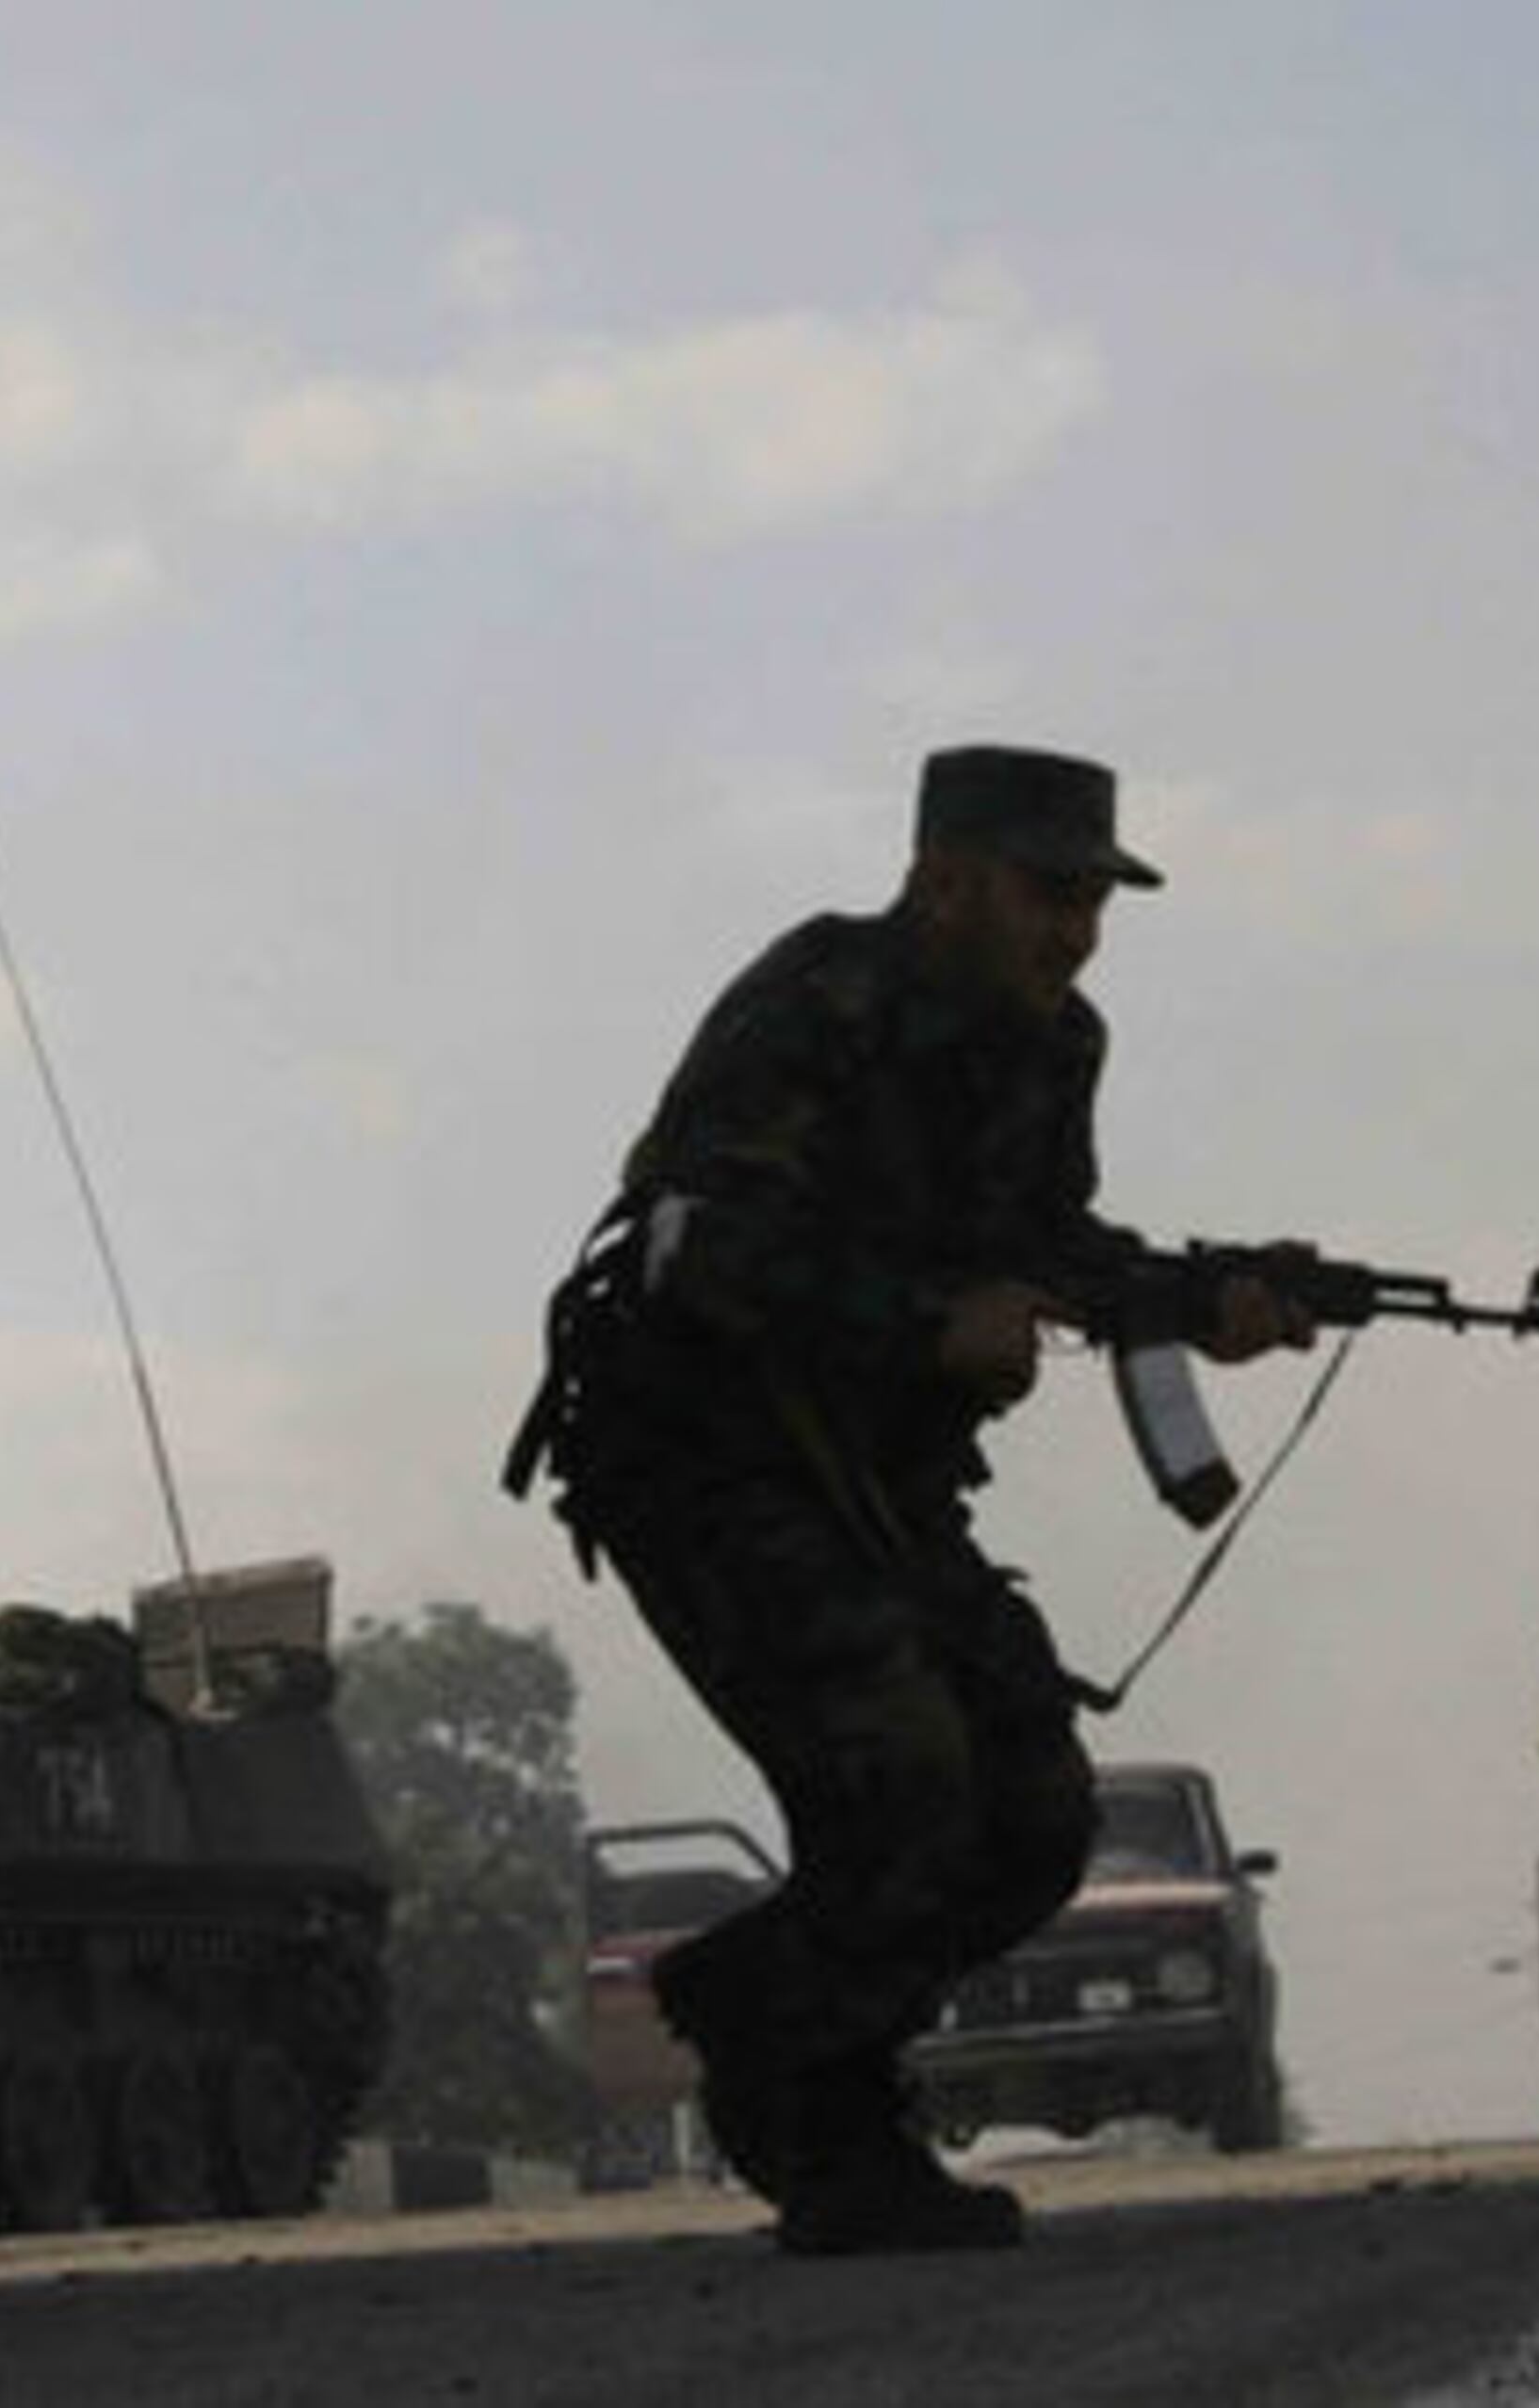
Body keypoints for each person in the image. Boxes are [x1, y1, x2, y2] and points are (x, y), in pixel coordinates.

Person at [503, 743, 1309, 2254]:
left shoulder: (1054, 1044)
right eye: (1048, 891)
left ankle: (762, 2003)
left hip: (874, 1478)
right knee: (901, 1774)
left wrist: (1198, 1298)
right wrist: (924, 1326)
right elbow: (693, 1247)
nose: (1074, 929)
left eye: (1094, 899)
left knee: (1036, 1806)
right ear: (946, 880)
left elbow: (1042, 1236)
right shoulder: (814, 1004)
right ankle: (822, 2117)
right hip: (705, 1460)